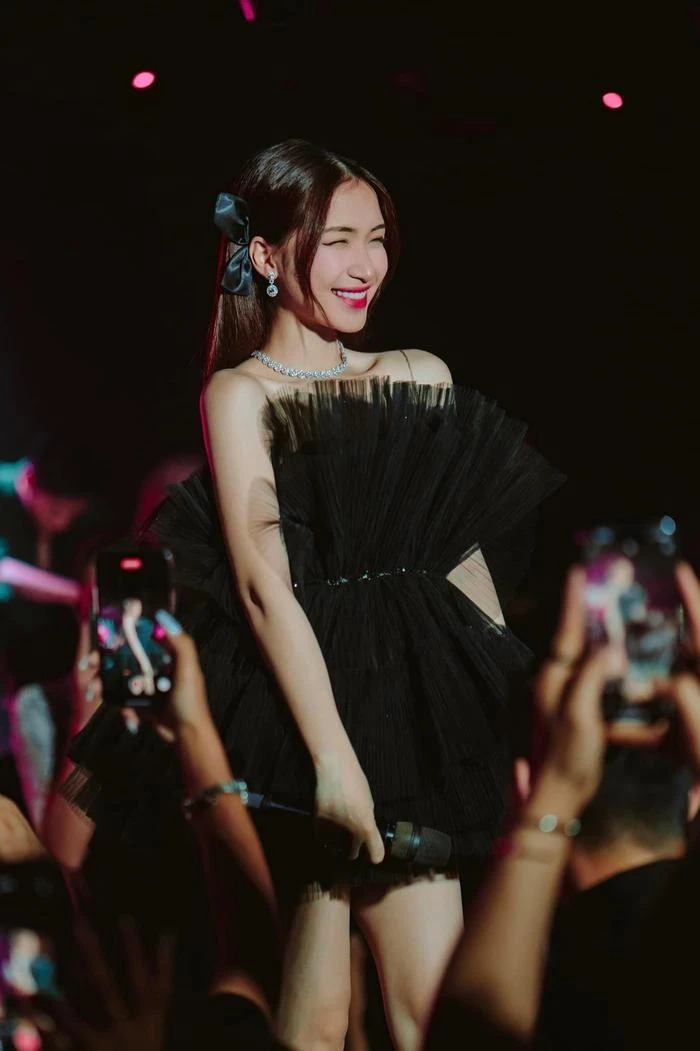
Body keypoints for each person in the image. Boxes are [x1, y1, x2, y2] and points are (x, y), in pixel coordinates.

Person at [64, 138, 563, 1050]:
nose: (365, 263)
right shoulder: (240, 394)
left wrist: (513, 713)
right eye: (337, 240)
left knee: (433, 1013)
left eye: (376, 238)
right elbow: (263, 587)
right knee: (314, 1022)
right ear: (264, 255)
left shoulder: (419, 373)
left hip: (414, 719)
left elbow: (460, 567)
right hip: (292, 727)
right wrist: (334, 761)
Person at [426, 560, 700, 1049]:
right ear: (694, 796)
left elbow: (469, 1029)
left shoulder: (556, 1003)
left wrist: (552, 795)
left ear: (522, 786)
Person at [0, 438, 98, 827]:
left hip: (60, 675)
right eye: (56, 511)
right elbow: (4, 572)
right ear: (29, 482)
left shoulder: (80, 518)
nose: (62, 524)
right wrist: (78, 594)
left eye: (72, 515)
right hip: (15, 679)